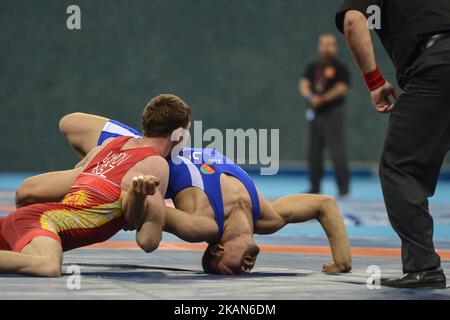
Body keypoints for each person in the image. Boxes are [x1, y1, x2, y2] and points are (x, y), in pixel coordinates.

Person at [17, 113, 352, 275]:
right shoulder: (268, 217)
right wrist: (342, 262)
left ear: (217, 248)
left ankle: (83, 180)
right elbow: (324, 204)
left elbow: (136, 211)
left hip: (142, 157)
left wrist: (130, 190)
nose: (244, 269)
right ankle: (86, 175)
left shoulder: (202, 225)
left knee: (32, 190)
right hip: (151, 146)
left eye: (231, 269)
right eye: (236, 270)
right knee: (69, 123)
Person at [0, 94, 191, 277]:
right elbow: (148, 241)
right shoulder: (155, 164)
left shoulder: (108, 145)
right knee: (47, 265)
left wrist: (134, 205)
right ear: (179, 135)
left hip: (29, 219)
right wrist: (143, 203)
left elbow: (78, 182)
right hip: (42, 221)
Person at [336, 0, 450, 288]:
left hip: (438, 66)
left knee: (401, 169)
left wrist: (375, 82)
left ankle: (423, 267)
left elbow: (353, 22)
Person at [300, 34, 351, 198]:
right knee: (313, 151)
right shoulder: (312, 67)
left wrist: (322, 99)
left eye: (330, 45)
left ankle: (343, 188)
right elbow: (304, 84)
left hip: (333, 113)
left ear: (336, 47)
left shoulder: (341, 68)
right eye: (324, 44)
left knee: (337, 150)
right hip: (315, 113)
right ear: (319, 46)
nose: (327, 47)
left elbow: (342, 88)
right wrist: (311, 97)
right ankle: (314, 186)